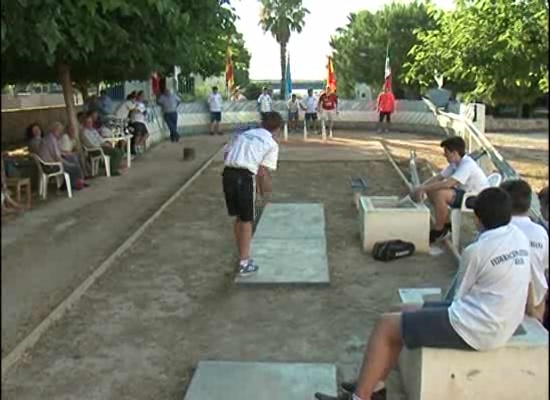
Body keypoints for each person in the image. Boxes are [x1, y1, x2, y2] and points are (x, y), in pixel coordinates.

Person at [315, 187, 531, 400]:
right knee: (401, 313)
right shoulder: (519, 238)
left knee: (385, 326)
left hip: (476, 328)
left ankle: (360, 397)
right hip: (499, 321)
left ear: (477, 219)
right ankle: (374, 387)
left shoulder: (476, 251)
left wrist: (432, 317)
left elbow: (458, 296)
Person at [222, 111, 281, 276]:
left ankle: (241, 252)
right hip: (244, 177)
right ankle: (244, 263)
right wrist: (263, 192)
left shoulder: (245, 134)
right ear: (277, 129)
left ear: (262, 123)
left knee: (239, 217)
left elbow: (227, 153)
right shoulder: (271, 143)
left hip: (227, 174)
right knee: (247, 221)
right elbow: (262, 171)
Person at [412, 136, 489, 243]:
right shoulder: (455, 163)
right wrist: (421, 187)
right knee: (433, 189)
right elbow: (439, 177)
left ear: (454, 153)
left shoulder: (467, 164)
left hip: (476, 198)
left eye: (446, 152)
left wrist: (423, 188)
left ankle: (439, 230)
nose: (445, 155)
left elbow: (449, 183)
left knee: (440, 193)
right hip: (466, 193)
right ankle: (446, 223)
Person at [500, 180, 548, 323]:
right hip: (538, 303)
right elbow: (543, 268)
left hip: (509, 304)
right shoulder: (540, 232)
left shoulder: (499, 231)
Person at [38, 122, 87, 190]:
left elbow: (59, 152)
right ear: (55, 130)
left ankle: (74, 183)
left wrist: (67, 155)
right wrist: (67, 163)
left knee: (72, 160)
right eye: (59, 131)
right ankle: (73, 184)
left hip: (49, 163)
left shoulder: (51, 138)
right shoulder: (51, 139)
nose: (60, 133)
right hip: (50, 166)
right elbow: (57, 156)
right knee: (74, 167)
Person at [128, 90, 149, 155]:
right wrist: (141, 111)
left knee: (146, 134)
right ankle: (135, 147)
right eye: (141, 96)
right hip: (136, 121)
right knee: (138, 134)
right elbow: (137, 111)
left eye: (143, 96)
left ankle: (138, 145)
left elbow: (144, 112)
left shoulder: (142, 104)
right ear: (138, 96)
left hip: (141, 121)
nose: (143, 97)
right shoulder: (135, 103)